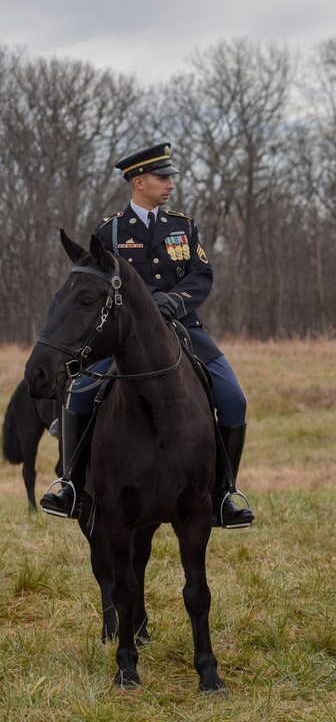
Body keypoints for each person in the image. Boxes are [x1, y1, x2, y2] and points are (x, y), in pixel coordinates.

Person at [39, 143, 255, 529]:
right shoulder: (109, 231)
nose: (170, 183)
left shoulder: (183, 226)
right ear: (139, 182)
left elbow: (201, 275)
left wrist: (174, 300)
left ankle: (224, 493)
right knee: (78, 395)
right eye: (162, 177)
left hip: (183, 329)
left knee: (234, 399)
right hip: (124, 337)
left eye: (170, 177)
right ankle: (70, 483)